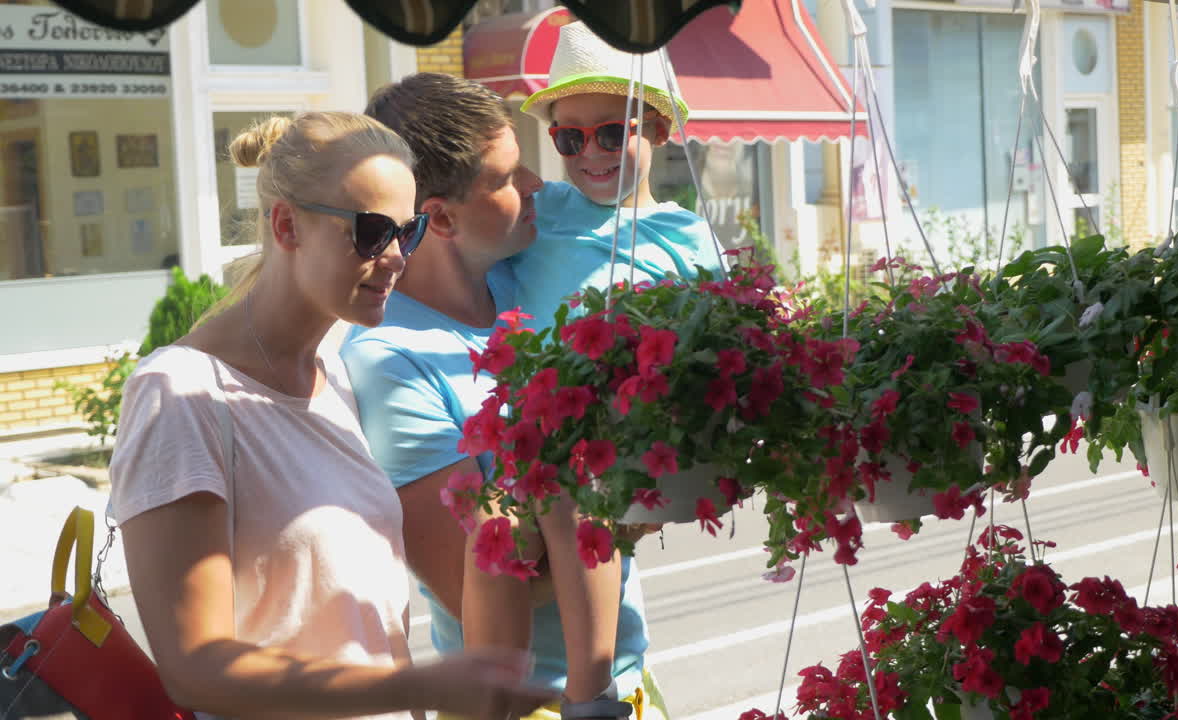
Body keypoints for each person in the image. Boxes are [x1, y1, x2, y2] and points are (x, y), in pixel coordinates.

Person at [107, 111, 554, 720]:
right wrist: (420, 688)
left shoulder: (333, 370)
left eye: (410, 230)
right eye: (372, 232)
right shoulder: (181, 394)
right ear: (287, 225)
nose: (396, 256)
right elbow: (196, 670)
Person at [346, 72, 670, 720]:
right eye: (508, 175)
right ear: (439, 216)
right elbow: (481, 581)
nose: (536, 187)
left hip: (629, 680)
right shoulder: (389, 362)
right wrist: (629, 505)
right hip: (526, 706)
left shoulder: (532, 280)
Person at [512, 19, 724, 327]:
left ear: (660, 130)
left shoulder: (691, 238)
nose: (591, 152)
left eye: (613, 133)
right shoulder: (537, 206)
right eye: (570, 136)